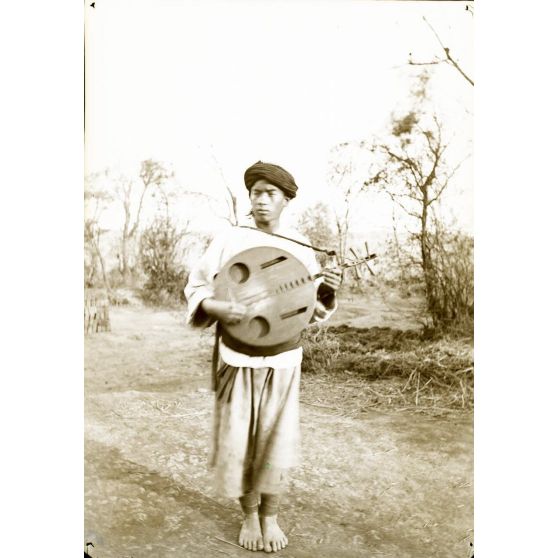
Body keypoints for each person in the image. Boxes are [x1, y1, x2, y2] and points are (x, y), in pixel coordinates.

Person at [184, 161, 342, 553]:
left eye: (270, 194)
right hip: (236, 355)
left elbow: (308, 309)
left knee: (277, 439)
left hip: (283, 358)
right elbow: (197, 287)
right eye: (256, 193)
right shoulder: (229, 239)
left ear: (287, 200)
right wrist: (216, 308)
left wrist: (326, 293)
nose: (261, 200)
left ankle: (270, 516)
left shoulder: (300, 246)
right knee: (239, 438)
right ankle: (249, 514)